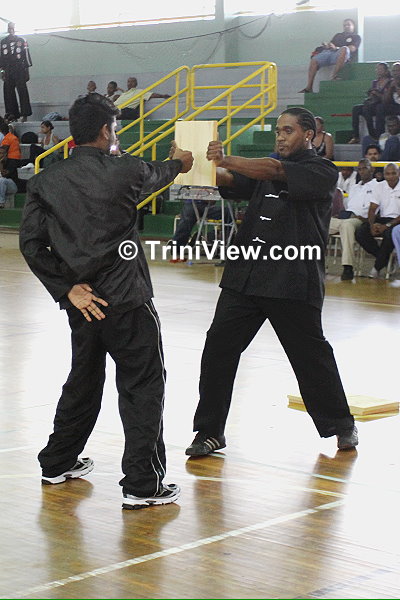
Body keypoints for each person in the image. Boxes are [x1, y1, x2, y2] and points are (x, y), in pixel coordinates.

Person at [19, 92, 194, 509]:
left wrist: (68, 288)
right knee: (143, 386)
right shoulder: (126, 170)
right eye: (114, 129)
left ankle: (58, 461)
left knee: (83, 381)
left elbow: (31, 245)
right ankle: (142, 484)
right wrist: (180, 161)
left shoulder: (45, 181)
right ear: (105, 130)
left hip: (82, 305)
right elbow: (162, 172)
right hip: (128, 300)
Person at [185, 107, 358, 458]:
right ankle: (209, 432)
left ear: (308, 134)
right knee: (218, 349)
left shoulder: (321, 170)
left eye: (288, 130)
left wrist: (226, 157)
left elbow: (274, 171)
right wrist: (194, 165)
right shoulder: (263, 168)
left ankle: (341, 424)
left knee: (310, 357)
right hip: (245, 276)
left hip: (291, 279)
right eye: (278, 131)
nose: (280, 136)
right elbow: (231, 180)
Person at [329, 159, 378, 280]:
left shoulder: (378, 186)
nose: (362, 171)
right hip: (346, 216)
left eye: (364, 168)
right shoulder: (354, 187)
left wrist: (366, 219)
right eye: (359, 169)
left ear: (372, 169)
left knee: (347, 226)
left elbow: (375, 210)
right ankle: (309, 259)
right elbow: (348, 206)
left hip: (360, 219)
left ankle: (348, 267)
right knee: (320, 222)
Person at [355, 163, 400, 278]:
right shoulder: (379, 186)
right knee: (360, 232)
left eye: (393, 173)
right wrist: (372, 225)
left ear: (398, 173)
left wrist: (387, 226)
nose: (390, 176)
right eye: (387, 174)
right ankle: (386, 258)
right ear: (384, 175)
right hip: (383, 218)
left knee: (390, 234)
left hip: (397, 221)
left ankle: (377, 267)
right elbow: (372, 209)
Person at [299, 19, 361, 93]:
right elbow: (331, 44)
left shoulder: (356, 37)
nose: (346, 26)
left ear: (353, 26)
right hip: (330, 53)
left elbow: (352, 48)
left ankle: (334, 76)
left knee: (344, 49)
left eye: (348, 25)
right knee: (314, 59)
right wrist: (327, 45)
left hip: (342, 54)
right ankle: (309, 87)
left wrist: (337, 48)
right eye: (344, 25)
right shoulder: (338, 35)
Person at [348, 62, 392, 144]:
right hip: (373, 104)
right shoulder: (375, 82)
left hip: (383, 105)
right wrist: (371, 94)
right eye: (377, 69)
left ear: (386, 71)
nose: (378, 71)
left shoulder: (390, 82)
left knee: (367, 108)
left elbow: (387, 98)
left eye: (380, 69)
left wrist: (377, 93)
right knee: (356, 108)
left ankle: (373, 134)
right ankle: (356, 136)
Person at [0, 22, 32, 122]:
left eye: (12, 28)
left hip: (20, 68)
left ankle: (25, 114)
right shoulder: (3, 42)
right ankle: (12, 114)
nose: (11, 30)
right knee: (8, 92)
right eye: (9, 28)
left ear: (15, 29)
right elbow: (1, 58)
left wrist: (27, 71)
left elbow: (26, 55)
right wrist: (2, 71)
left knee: (22, 91)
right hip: (7, 69)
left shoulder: (22, 40)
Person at [374, 62, 400, 138]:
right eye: (393, 71)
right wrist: (390, 88)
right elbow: (385, 100)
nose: (395, 73)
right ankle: (380, 136)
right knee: (380, 107)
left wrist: (397, 86)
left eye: (397, 70)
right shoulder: (391, 82)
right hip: (395, 106)